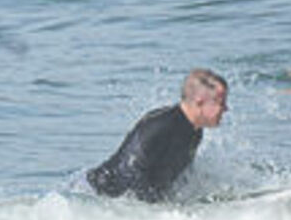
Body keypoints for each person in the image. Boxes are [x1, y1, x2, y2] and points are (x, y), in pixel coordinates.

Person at [86, 69, 228, 201]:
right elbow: (129, 173)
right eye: (221, 103)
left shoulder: (195, 132)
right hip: (101, 194)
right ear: (199, 102)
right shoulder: (160, 125)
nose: (226, 109)